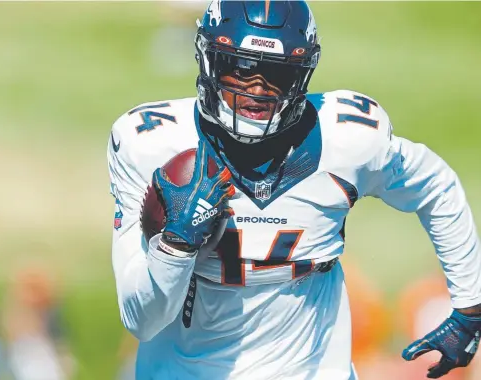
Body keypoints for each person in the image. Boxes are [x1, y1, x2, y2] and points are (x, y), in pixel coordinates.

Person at [107, 1, 481, 379]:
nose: (256, 89)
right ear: (209, 60)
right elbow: (142, 321)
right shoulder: (149, 144)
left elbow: (436, 186)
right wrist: (177, 244)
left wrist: (470, 308)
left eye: (276, 74)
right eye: (241, 67)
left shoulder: (349, 138)